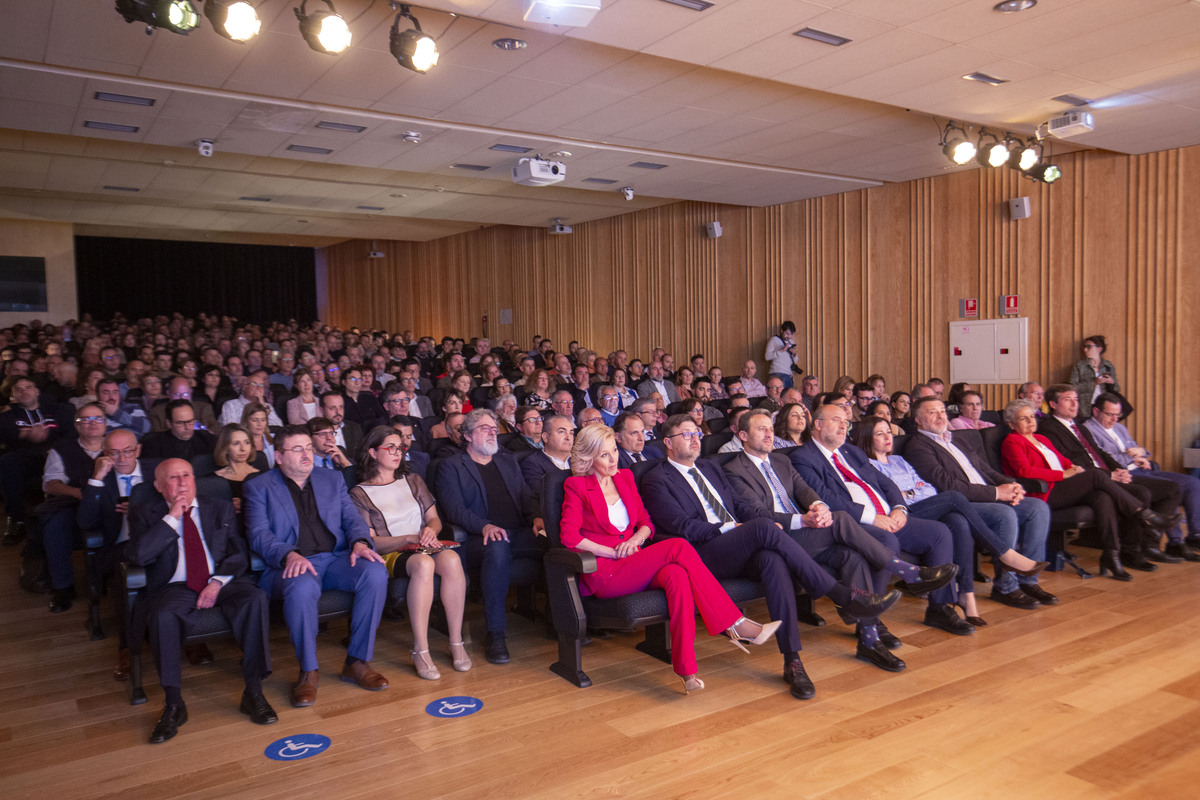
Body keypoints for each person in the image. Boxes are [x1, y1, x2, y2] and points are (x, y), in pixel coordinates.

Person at [639, 414, 907, 691]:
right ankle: (841, 593)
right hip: (703, 554)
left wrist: (749, 524)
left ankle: (793, 661)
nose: (695, 438)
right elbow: (682, 527)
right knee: (767, 527)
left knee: (774, 559)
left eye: (697, 433)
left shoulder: (709, 468)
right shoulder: (657, 479)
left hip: (742, 545)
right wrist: (737, 527)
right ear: (668, 443)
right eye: (686, 434)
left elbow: (740, 505)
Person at [560, 423, 784, 694]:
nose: (613, 459)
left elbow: (646, 523)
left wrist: (634, 540)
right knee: (677, 546)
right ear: (589, 457)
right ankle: (734, 623)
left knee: (678, 576)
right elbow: (569, 537)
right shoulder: (577, 486)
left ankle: (687, 670)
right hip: (606, 571)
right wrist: (612, 551)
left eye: (613, 452)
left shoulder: (625, 478)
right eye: (604, 455)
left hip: (634, 560)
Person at [788, 405, 970, 642]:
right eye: (837, 420)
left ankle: (939, 608)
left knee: (939, 533)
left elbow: (885, 483)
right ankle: (870, 619)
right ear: (818, 424)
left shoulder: (851, 452)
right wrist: (872, 518)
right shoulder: (803, 457)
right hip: (854, 524)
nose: (844, 426)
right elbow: (825, 498)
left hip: (887, 516)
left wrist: (899, 508)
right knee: (885, 540)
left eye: (846, 422)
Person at [127, 458, 274, 743]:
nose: (182, 482)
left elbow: (238, 553)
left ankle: (253, 691)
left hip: (219, 581)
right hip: (175, 586)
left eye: (187, 475)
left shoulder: (218, 507)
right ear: (158, 486)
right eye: (173, 478)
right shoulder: (144, 513)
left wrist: (217, 582)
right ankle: (173, 704)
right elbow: (140, 556)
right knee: (162, 615)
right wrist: (171, 517)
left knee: (254, 598)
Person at [245, 425, 390, 707]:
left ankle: (357, 662)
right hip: (290, 565)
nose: (306, 454)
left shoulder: (331, 479)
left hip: (334, 559)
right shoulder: (259, 486)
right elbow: (258, 534)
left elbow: (351, 519)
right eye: (297, 449)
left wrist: (360, 541)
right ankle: (308, 672)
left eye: (308, 448)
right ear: (278, 456)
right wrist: (288, 554)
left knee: (374, 572)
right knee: (301, 587)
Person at [857, 415, 1048, 627]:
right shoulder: (868, 465)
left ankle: (966, 595)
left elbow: (928, 488)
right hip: (904, 513)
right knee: (954, 497)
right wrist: (912, 492)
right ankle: (1004, 553)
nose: (887, 437)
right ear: (867, 438)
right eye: (879, 433)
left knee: (958, 521)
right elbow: (887, 497)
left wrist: (909, 492)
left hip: (927, 505)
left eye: (888, 432)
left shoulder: (899, 460)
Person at [1002, 399, 1179, 580]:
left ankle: (1111, 554)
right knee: (1096, 476)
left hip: (1062, 486)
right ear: (1011, 423)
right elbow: (1025, 471)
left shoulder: (1041, 438)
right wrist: (1063, 475)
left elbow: (1063, 461)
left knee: (1101, 496)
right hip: (1044, 491)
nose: (1031, 421)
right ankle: (1144, 514)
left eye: (1032, 416)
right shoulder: (1012, 441)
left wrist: (1074, 468)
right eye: (1024, 419)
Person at [350, 427, 470, 680]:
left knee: (451, 558)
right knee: (424, 564)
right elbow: (371, 542)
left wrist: (430, 531)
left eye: (400, 447)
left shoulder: (413, 480)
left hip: (423, 544)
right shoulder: (359, 493)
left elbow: (435, 519)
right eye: (390, 447)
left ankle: (456, 641)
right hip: (392, 552)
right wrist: (407, 538)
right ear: (373, 452)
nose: (398, 452)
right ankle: (421, 648)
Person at [437, 409, 548, 664]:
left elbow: (526, 496)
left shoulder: (507, 461)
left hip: (517, 534)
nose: (492, 433)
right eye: (484, 428)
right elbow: (454, 509)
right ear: (467, 435)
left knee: (555, 541)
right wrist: (485, 526)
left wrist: (537, 518)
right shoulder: (450, 466)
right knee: (497, 546)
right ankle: (496, 635)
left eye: (494, 428)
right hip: (477, 539)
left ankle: (560, 620)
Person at [1036, 386, 1183, 567]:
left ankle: (1141, 547)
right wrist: (1109, 475)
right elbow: (1068, 460)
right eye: (1068, 399)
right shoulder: (1048, 428)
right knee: (1139, 493)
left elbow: (1100, 453)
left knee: (1159, 489)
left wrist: (1119, 470)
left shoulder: (1080, 427)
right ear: (1053, 404)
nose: (1075, 403)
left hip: (1105, 475)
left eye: (1076, 398)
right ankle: (1138, 537)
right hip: (1086, 480)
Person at [1085, 392, 1200, 558]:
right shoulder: (1089, 430)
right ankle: (1172, 541)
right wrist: (1134, 456)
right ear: (1096, 412)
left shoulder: (1119, 427)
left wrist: (1141, 454)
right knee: (1171, 489)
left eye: (1118, 415)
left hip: (1143, 468)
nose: (1114, 419)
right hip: (1126, 473)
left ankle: (1195, 536)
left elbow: (1139, 449)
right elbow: (1108, 458)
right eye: (1110, 414)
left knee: (1192, 483)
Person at [213, 423, 261, 514]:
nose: (243, 448)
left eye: (247, 442)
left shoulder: (263, 476)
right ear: (225, 448)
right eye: (236, 443)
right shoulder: (213, 480)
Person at [1069, 335, 1121, 409]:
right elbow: (1072, 388)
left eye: (1089, 346)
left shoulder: (1108, 366)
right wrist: (1093, 383)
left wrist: (1112, 383)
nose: (1085, 349)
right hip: (1085, 407)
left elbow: (1117, 389)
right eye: (1084, 347)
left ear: (1099, 349)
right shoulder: (1079, 366)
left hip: (1104, 407)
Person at [765, 321, 801, 388]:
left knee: (789, 397)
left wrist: (794, 354)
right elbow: (767, 357)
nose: (789, 336)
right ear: (782, 330)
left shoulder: (791, 342)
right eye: (787, 333)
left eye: (791, 334)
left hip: (789, 375)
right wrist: (782, 350)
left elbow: (794, 361)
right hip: (777, 373)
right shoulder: (774, 340)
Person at [240, 402, 275, 467]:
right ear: (246, 421)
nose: (260, 424)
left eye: (263, 420)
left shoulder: (275, 438)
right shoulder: (239, 442)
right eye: (255, 420)